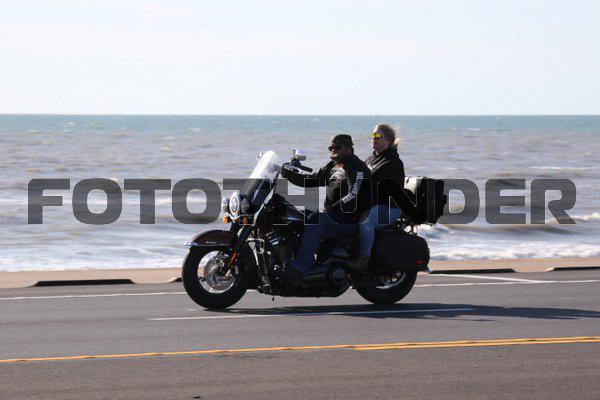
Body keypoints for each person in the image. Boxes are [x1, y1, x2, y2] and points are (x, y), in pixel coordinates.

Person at [278, 134, 371, 282]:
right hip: (334, 216)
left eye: (337, 147)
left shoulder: (356, 166)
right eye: (330, 147)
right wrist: (288, 175)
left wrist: (330, 209)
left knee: (317, 222)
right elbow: (313, 180)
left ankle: (300, 268)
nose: (333, 150)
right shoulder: (334, 166)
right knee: (300, 216)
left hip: (349, 218)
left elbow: (354, 194)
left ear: (348, 148)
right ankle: (288, 260)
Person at [344, 123, 407, 272]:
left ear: (389, 140)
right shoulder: (372, 158)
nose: (374, 138)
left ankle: (363, 259)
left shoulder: (392, 162)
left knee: (366, 219)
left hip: (389, 207)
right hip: (373, 203)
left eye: (378, 136)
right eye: (373, 135)